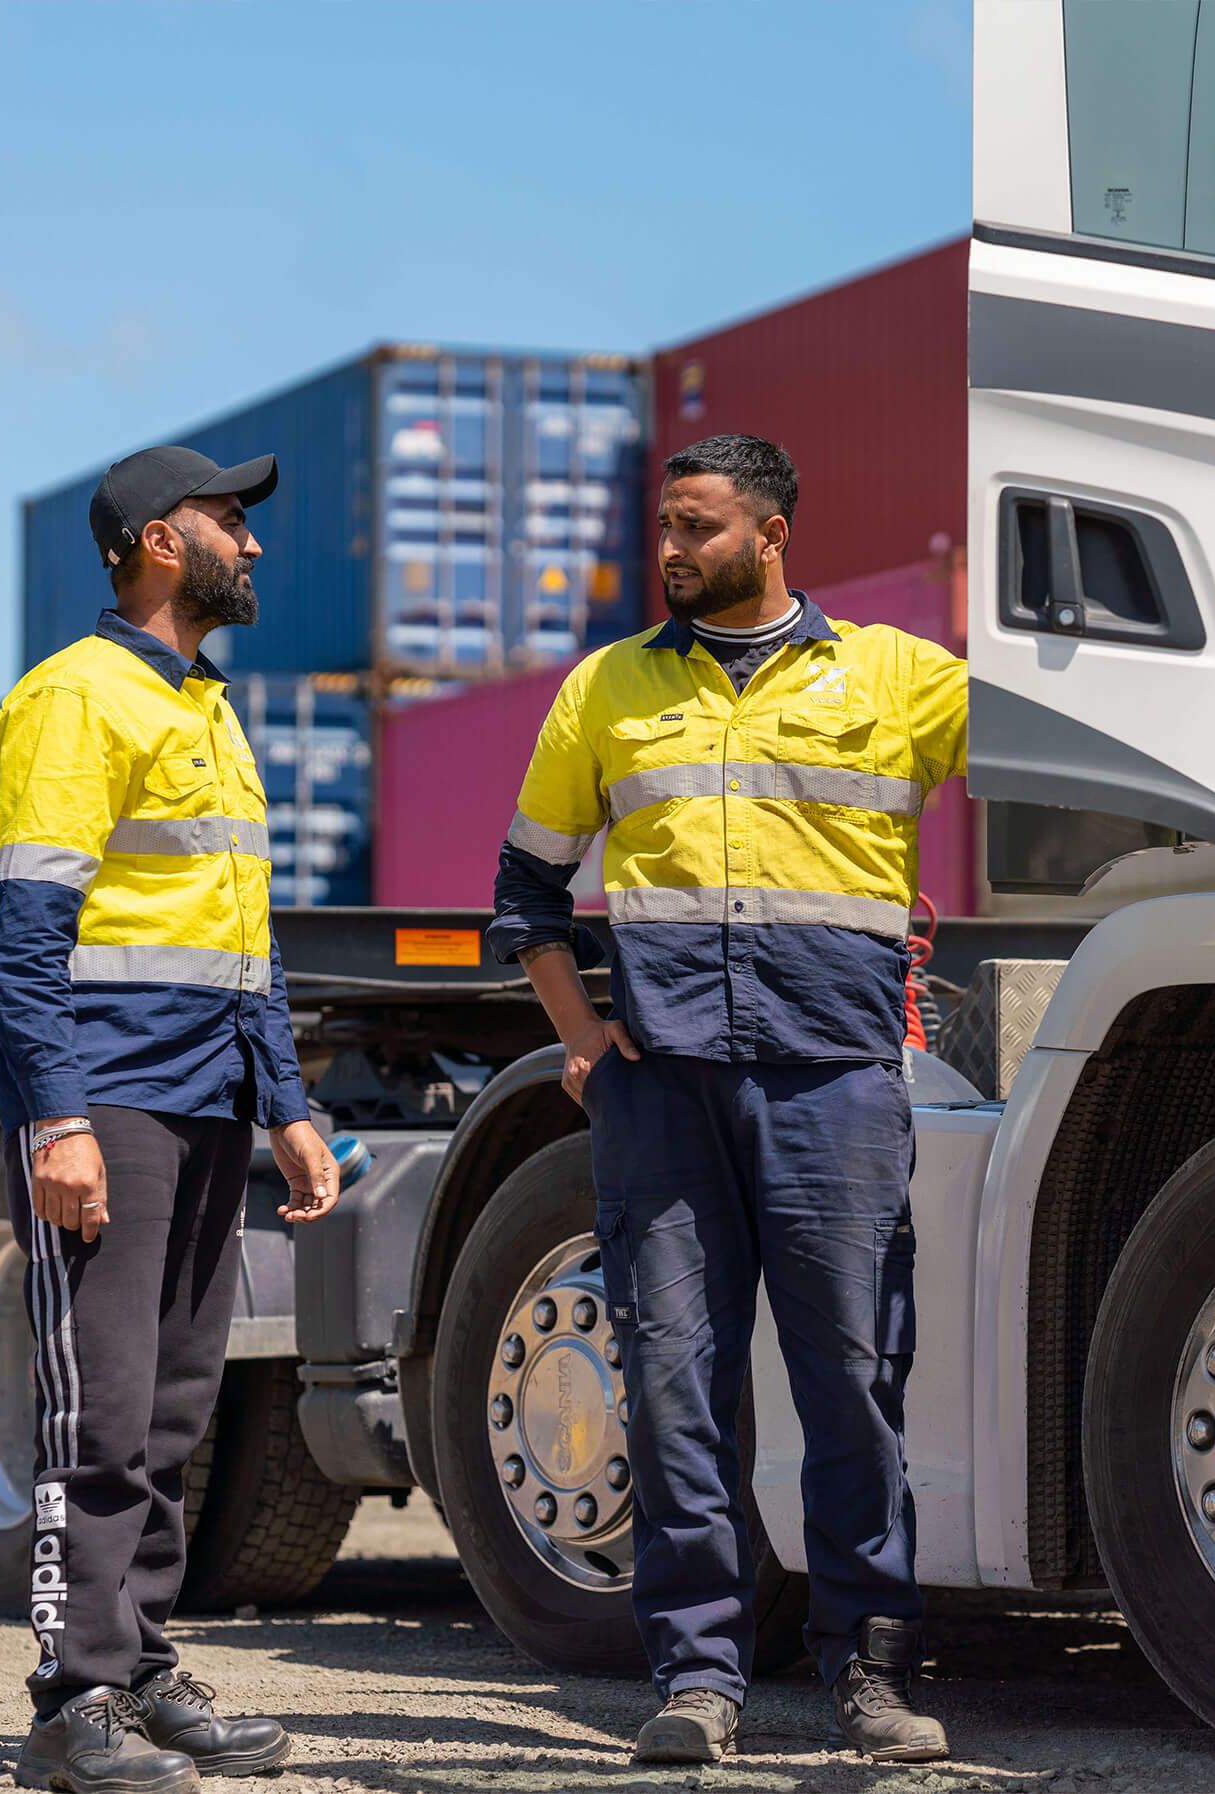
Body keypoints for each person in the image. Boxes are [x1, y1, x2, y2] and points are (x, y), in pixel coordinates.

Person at [489, 434, 966, 1767]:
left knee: (853, 1380)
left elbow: (1062, 753)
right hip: (665, 1095)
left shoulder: (899, 678)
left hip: (835, 1085)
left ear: (770, 534)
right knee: (674, 1385)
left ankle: (870, 1671)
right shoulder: (608, 690)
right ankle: (701, 1678)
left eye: (699, 526)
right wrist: (582, 1036)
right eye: (666, 527)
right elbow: (526, 892)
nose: (672, 550)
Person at [0, 444, 342, 1794]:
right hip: (112, 1100)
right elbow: (27, 942)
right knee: (102, 1414)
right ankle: (68, 1702)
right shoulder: (75, 701)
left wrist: (289, 1104)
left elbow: (243, 941)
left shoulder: (204, 710)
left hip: (207, 1102)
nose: (253, 544)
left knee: (176, 1408)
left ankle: (135, 1666)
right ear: (154, 542)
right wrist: (57, 1122)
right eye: (229, 521)